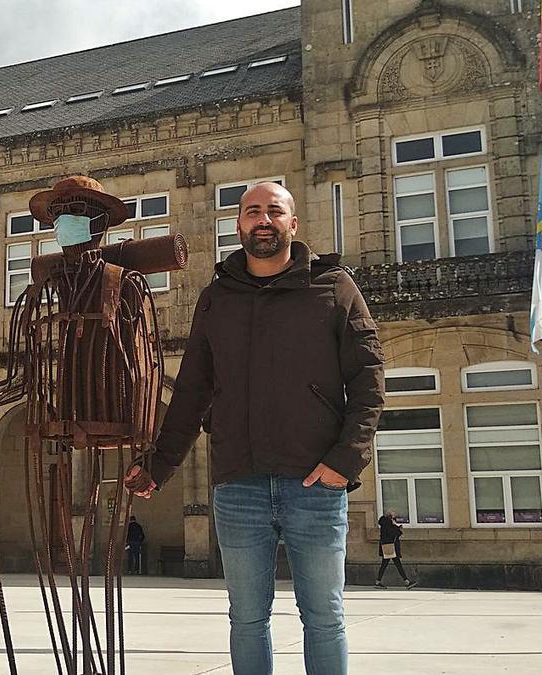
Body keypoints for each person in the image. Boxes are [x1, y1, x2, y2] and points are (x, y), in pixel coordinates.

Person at [124, 181, 385, 675]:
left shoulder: (333, 287)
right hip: (239, 483)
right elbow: (193, 390)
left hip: (315, 481)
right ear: (238, 224)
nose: (262, 220)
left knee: (324, 616)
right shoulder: (216, 297)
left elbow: (368, 380)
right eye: (251, 212)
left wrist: (345, 460)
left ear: (292, 223)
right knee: (246, 619)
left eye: (273, 211)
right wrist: (160, 464)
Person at [375, 511, 418, 589]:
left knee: (387, 565)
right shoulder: (388, 523)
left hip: (387, 546)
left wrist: (396, 527)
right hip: (390, 547)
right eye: (394, 515)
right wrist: (398, 529)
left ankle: (378, 582)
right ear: (390, 516)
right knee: (395, 564)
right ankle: (406, 582)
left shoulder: (385, 523)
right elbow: (392, 533)